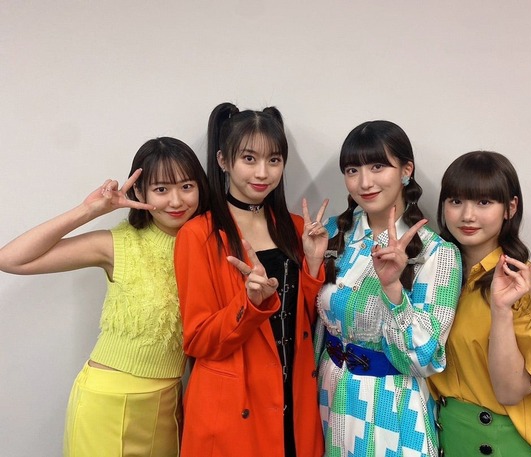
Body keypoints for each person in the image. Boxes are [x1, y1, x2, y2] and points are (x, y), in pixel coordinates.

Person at [0, 137, 209, 457]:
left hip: (168, 404)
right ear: (140, 193)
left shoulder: (210, 245)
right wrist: (88, 210)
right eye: (161, 189)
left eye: (186, 186)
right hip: (107, 402)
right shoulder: (117, 244)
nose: (176, 200)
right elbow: (11, 259)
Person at [174, 102, 327, 457]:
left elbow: (306, 324)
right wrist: (250, 305)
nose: (263, 172)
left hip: (294, 399)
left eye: (274, 160)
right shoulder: (198, 235)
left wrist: (313, 264)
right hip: (234, 407)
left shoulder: (297, 228)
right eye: (249, 159)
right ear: (223, 161)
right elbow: (198, 340)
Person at [316, 120, 462, 457]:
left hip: (391, 406)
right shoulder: (332, 234)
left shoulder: (437, 254)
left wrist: (393, 288)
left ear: (406, 170)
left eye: (378, 166)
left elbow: (424, 360)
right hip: (329, 394)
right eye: (353, 170)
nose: (364, 182)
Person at [427, 150, 531, 456]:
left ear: (510, 208)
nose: (467, 215)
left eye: (484, 202)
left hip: (514, 445)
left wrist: (501, 310)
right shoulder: (435, 279)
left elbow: (511, 391)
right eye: (456, 201)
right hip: (452, 440)